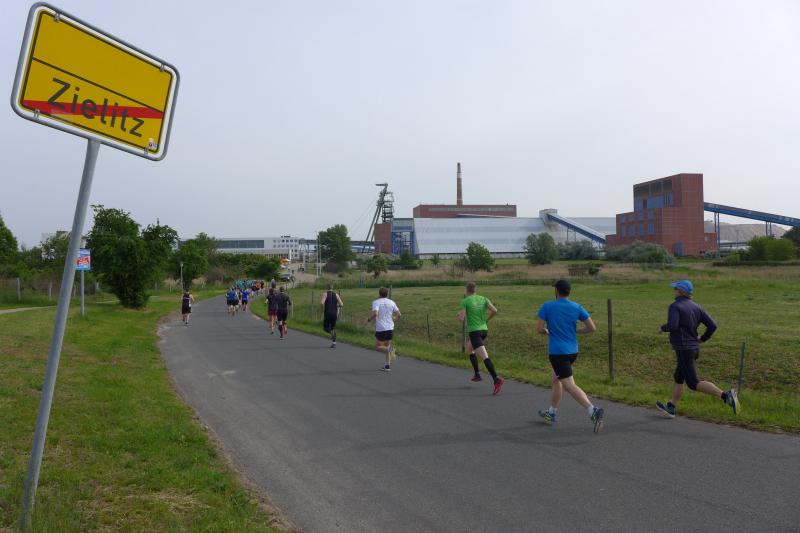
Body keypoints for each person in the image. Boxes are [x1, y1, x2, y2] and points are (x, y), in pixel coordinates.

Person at [656, 280, 739, 418]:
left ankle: (726, 396)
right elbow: (712, 326)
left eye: (675, 288)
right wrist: (703, 339)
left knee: (693, 383)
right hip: (693, 348)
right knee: (679, 377)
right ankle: (671, 406)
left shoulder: (675, 306)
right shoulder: (697, 307)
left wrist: (662, 328)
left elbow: (673, 326)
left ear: (680, 291)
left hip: (684, 349)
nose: (674, 290)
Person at [536, 279, 604, 433]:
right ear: (569, 292)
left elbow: (539, 329)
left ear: (556, 291)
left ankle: (592, 410)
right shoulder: (576, 307)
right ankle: (552, 412)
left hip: (558, 353)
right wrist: (576, 331)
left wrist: (546, 331)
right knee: (556, 379)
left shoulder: (547, 306)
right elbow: (592, 328)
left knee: (569, 385)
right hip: (573, 351)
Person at [457, 282, 504, 395]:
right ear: (475, 290)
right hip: (484, 330)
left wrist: (459, 315)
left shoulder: (465, 301)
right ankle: (477, 374)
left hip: (474, 332)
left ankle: (496, 379)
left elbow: (461, 319)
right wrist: (486, 320)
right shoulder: (483, 298)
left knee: (484, 357)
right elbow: (495, 311)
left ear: (466, 290)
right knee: (469, 349)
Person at [366, 287, 401, 371]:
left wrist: (368, 319)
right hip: (390, 327)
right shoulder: (392, 302)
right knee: (386, 346)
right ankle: (387, 366)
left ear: (379, 294)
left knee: (378, 347)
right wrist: (394, 318)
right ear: (387, 294)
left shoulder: (376, 302)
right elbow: (399, 315)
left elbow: (375, 313)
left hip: (381, 328)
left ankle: (391, 350)